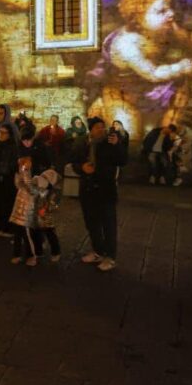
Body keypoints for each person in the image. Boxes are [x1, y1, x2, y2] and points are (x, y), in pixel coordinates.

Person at [71, 117, 128, 272]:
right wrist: (81, 167)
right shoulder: (81, 142)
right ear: (91, 129)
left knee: (108, 224)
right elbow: (73, 162)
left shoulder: (110, 143)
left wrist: (117, 145)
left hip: (105, 189)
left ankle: (110, 257)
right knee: (92, 223)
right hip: (87, 189)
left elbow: (122, 160)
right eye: (97, 127)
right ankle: (98, 251)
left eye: (103, 127)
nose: (101, 130)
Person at [0, 124, 18, 236]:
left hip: (8, 178)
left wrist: (5, 172)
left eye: (4, 132)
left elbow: (13, 162)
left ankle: (7, 228)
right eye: (0, 132)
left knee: (7, 203)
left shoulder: (13, 147)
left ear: (9, 135)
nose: (1, 134)